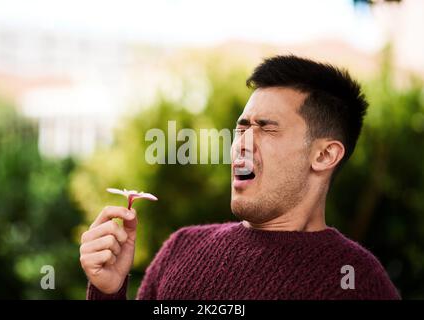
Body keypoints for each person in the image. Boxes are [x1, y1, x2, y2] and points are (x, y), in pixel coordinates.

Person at [80, 55, 400, 300]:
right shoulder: (180, 250)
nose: (240, 145)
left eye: (267, 127)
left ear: (324, 155)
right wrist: (107, 291)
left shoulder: (359, 281)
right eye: (242, 128)